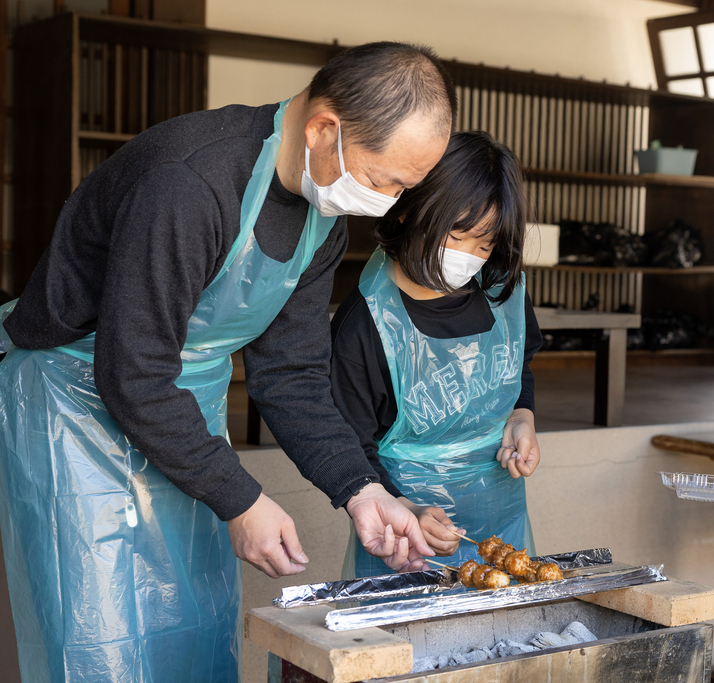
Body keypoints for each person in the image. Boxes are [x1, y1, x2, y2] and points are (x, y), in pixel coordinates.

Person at [0, 42, 455, 682]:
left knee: (191, 628)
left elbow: (291, 376)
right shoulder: (194, 180)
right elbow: (131, 371)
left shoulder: (323, 216)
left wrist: (362, 490)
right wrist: (240, 500)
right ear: (325, 128)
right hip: (75, 406)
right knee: (100, 642)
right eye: (386, 181)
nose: (389, 202)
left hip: (183, 418)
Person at [329, 130, 543, 577]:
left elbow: (519, 364)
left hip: (502, 519)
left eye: (484, 245)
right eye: (457, 236)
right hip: (406, 534)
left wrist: (522, 416)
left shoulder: (501, 288)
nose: (468, 258)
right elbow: (351, 445)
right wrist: (400, 506)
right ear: (411, 211)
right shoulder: (366, 324)